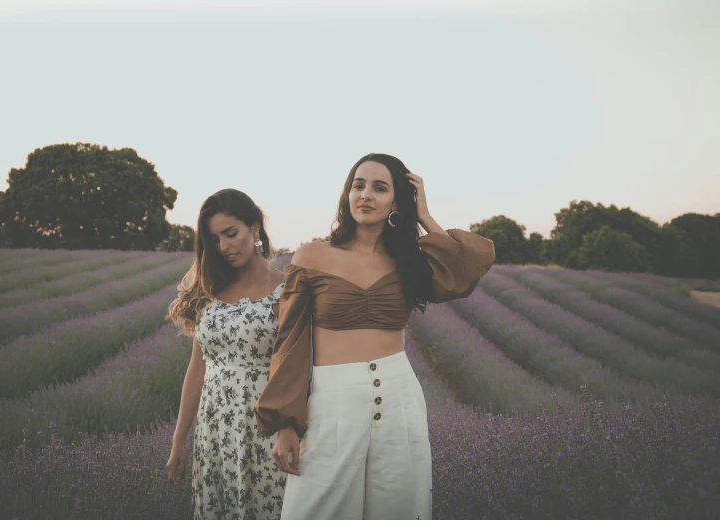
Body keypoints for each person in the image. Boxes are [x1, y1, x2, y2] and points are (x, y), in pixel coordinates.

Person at [254, 153, 495, 520]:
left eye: (380, 188)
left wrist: (425, 215)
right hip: (332, 402)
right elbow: (290, 341)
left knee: (399, 506)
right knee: (315, 508)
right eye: (358, 185)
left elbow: (463, 270)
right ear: (347, 195)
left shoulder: (410, 260)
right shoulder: (312, 256)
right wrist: (287, 422)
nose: (365, 195)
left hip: (399, 398)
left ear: (396, 202)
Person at [166, 188, 287, 520]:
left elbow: (303, 369)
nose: (223, 247)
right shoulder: (211, 291)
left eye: (230, 234)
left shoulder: (289, 290)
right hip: (215, 431)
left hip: (267, 429)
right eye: (214, 239)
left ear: (255, 228)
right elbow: (198, 368)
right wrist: (180, 438)